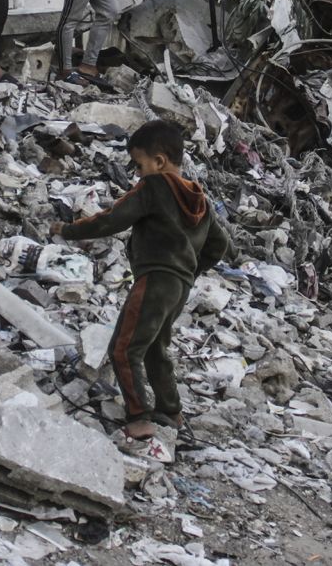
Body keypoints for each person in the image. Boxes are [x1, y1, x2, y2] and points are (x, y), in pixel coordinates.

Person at [53, 120, 228, 439]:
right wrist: (190, 270)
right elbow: (221, 244)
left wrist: (68, 230)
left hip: (155, 279)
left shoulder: (153, 187)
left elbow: (112, 219)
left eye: (139, 164)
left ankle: (139, 418)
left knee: (124, 347)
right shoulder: (199, 199)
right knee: (154, 348)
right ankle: (171, 411)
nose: (136, 173)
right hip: (179, 288)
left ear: (159, 162)